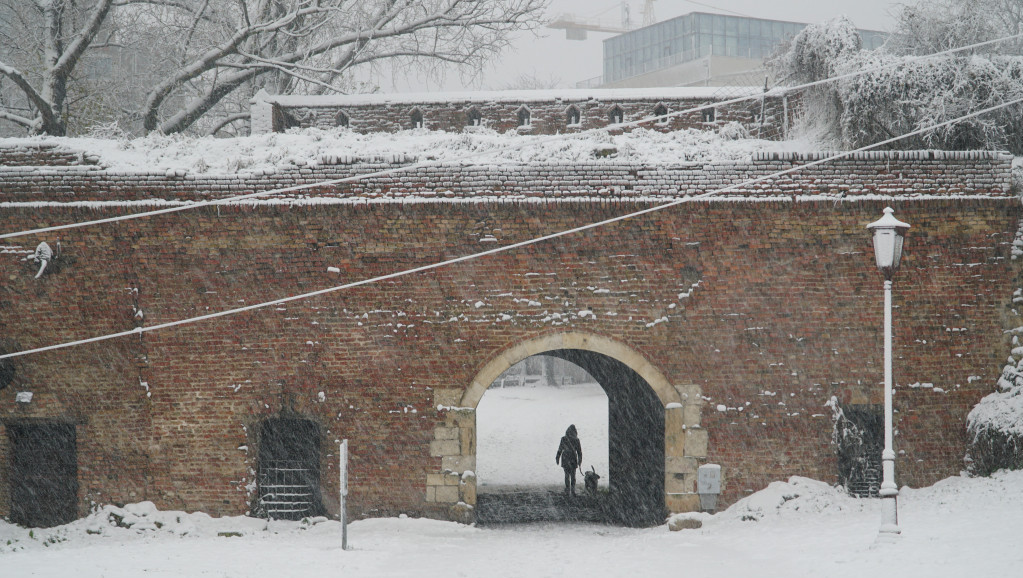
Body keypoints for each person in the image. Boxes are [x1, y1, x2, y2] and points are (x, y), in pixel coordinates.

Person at [555, 424, 582, 496]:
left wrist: (557, 458)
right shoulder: (576, 440)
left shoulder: (563, 439)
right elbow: (579, 452)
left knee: (567, 475)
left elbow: (560, 449)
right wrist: (579, 461)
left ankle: (567, 490)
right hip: (573, 459)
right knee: (573, 476)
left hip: (565, 458)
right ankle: (572, 491)